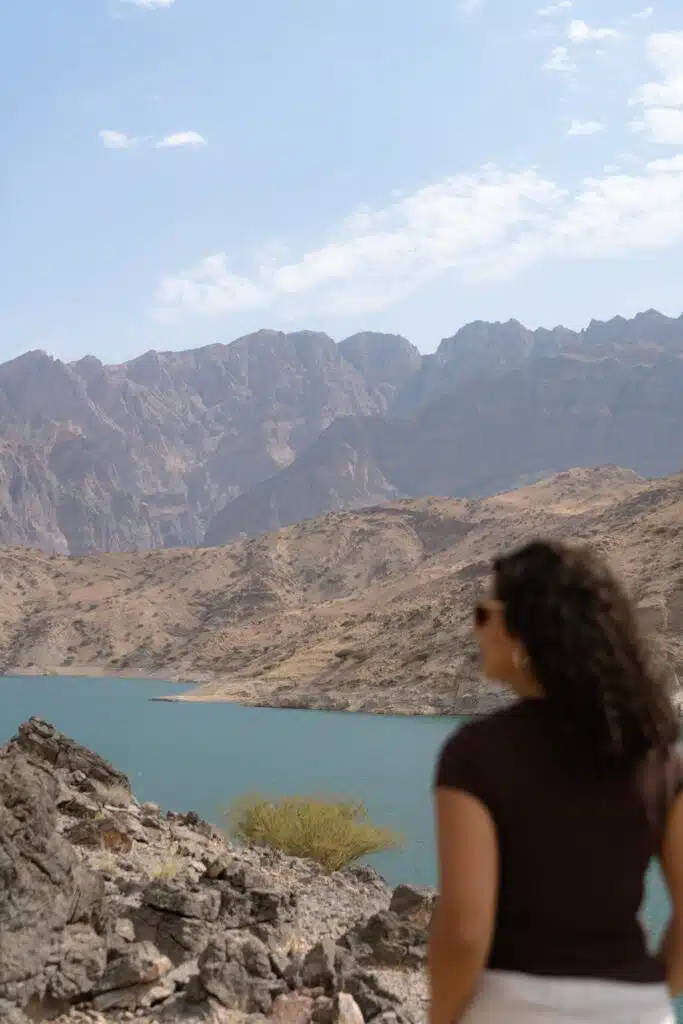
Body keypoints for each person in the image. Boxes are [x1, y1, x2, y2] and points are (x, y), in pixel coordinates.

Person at [428, 539, 683, 1024]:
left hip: (513, 1007)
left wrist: (442, 1018)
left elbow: (464, 930)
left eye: (485, 614)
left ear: (523, 633)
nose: (476, 628)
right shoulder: (661, 760)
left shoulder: (475, 755)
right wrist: (644, 992)